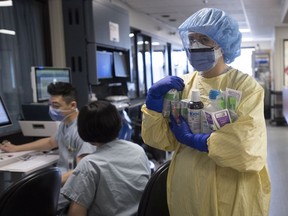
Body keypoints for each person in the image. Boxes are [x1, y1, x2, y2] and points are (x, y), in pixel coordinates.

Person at [141, 8, 271, 216]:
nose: (195, 45)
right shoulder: (182, 85)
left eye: (204, 39)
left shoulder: (246, 87)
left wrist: (200, 141)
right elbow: (161, 141)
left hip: (232, 190)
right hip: (188, 189)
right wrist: (154, 107)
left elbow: (247, 147)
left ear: (222, 43)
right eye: (191, 39)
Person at [59, 100, 150, 216]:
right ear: (118, 122)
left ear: (83, 131)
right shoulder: (138, 150)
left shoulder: (89, 164)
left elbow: (76, 213)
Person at [0, 82, 96, 185]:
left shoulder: (82, 130)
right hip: (61, 178)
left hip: (70, 187)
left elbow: (81, 172)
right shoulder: (65, 123)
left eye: (56, 105)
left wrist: (50, 184)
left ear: (72, 105)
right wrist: (16, 148)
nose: (52, 109)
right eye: (50, 105)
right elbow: (51, 142)